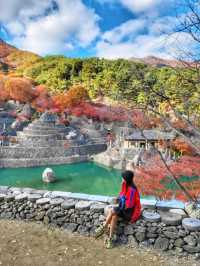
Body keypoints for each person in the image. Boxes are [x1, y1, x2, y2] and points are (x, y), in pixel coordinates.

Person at [94, 170, 141, 249]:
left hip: (129, 212)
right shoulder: (124, 185)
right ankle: (110, 239)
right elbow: (121, 195)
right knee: (114, 216)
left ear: (126, 179)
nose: (122, 179)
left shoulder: (132, 190)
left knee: (112, 210)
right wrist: (119, 199)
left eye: (123, 178)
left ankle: (103, 227)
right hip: (123, 209)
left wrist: (122, 200)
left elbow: (129, 205)